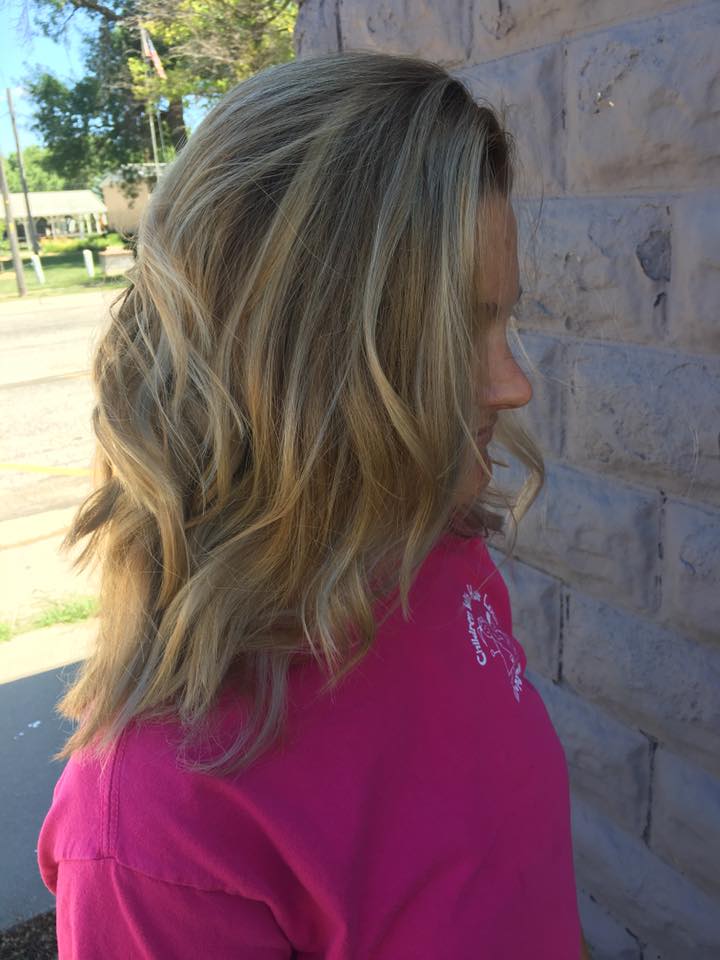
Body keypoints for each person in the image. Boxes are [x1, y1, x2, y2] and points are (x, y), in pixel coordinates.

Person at [37, 50, 592, 959]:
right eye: (457, 331)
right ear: (299, 366)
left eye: (505, 320)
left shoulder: (433, 556)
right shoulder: (158, 827)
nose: (513, 385)